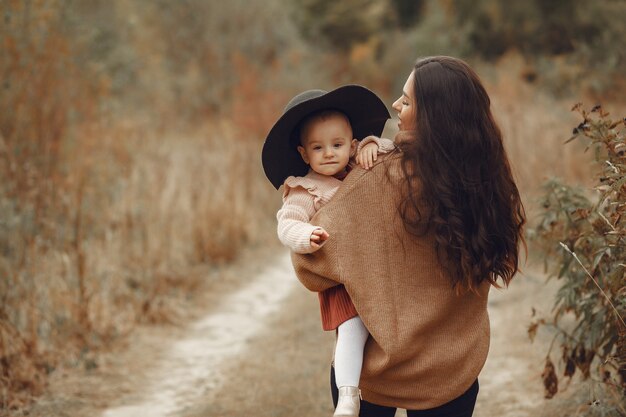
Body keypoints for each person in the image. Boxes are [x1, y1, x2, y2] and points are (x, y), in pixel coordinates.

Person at [291, 56, 526, 416]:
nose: (396, 105)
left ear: (433, 113)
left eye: (407, 99)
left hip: (376, 373)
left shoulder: (376, 179)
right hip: (452, 370)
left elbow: (309, 266)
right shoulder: (486, 181)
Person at [261, 85, 395, 417]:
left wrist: (374, 144)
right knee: (352, 327)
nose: (329, 153)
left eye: (337, 145)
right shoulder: (306, 188)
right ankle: (349, 394)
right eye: (318, 148)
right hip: (344, 282)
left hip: (380, 274)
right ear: (304, 154)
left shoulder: (363, 166)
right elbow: (287, 223)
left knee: (390, 330)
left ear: (351, 144)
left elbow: (397, 153)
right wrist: (307, 235)